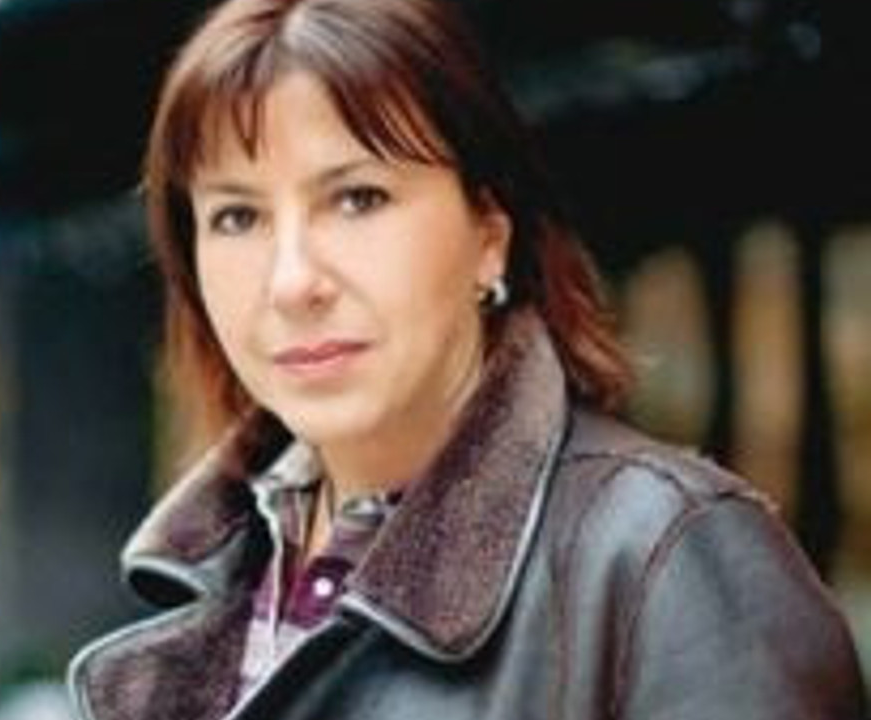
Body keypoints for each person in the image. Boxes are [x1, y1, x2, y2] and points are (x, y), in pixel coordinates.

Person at [66, 0, 869, 717]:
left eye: (358, 198)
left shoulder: (663, 558)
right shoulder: (221, 576)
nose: (292, 281)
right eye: (237, 217)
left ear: (489, 233)